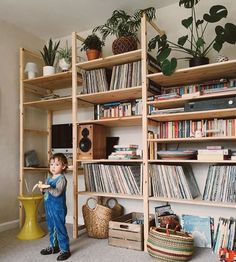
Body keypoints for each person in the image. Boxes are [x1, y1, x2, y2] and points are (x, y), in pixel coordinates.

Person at [38, 153, 71, 261]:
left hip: (58, 209)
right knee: (51, 228)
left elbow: (57, 193)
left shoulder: (61, 179)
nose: (53, 167)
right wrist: (43, 190)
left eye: (56, 164)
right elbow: (47, 194)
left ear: (63, 166)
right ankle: (54, 246)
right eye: (51, 164)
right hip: (49, 208)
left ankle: (65, 249)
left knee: (59, 229)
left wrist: (47, 188)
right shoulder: (48, 179)